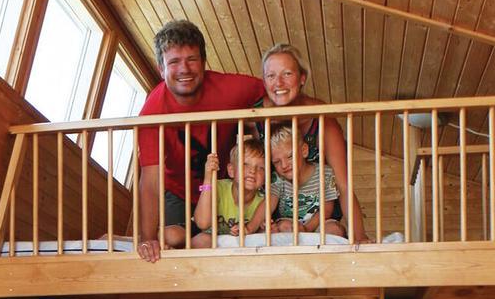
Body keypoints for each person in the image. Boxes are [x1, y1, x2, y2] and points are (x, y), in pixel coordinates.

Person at [132, 21, 265, 263]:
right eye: (174, 62)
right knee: (169, 245)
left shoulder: (229, 88)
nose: (184, 69)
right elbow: (150, 180)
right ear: (161, 69)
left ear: (203, 62)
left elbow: (277, 90)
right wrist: (147, 238)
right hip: (177, 192)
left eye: (191, 59)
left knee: (219, 247)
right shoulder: (152, 112)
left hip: (221, 188)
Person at [255, 43, 366, 244]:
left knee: (332, 232)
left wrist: (360, 237)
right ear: (264, 81)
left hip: (321, 216)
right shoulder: (253, 116)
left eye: (287, 73)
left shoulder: (322, 117)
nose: (278, 82)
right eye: (271, 76)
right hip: (279, 219)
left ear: (302, 78)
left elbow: (343, 185)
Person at [190, 135, 271, 247]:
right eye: (245, 164)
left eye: (261, 168)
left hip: (236, 247)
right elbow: (202, 223)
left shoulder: (264, 201)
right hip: (206, 238)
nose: (253, 171)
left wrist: (263, 227)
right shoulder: (218, 187)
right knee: (200, 239)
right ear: (231, 170)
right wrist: (208, 178)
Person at [266, 124, 344, 239]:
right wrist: (260, 223)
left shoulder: (325, 173)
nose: (284, 165)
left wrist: (306, 229)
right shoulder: (277, 178)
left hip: (319, 224)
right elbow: (268, 205)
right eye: (277, 162)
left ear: (304, 151)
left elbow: (326, 210)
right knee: (283, 226)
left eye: (290, 156)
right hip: (290, 225)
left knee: (334, 229)